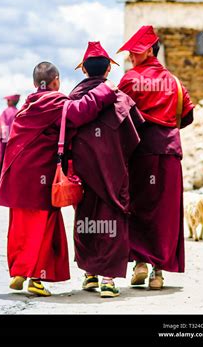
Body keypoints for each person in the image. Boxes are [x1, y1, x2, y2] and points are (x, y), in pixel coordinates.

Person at [0, 61, 118, 296]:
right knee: (44, 225)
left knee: (21, 225)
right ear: (56, 81)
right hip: (39, 175)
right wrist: (106, 89)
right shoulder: (55, 103)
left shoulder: (27, 106)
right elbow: (82, 111)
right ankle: (35, 279)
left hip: (17, 176)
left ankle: (20, 270)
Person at [117, 26, 195, 289]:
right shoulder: (174, 82)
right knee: (165, 210)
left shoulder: (130, 79)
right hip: (170, 153)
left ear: (149, 50)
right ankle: (158, 272)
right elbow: (187, 116)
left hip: (140, 152)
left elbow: (118, 115)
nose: (129, 57)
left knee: (139, 206)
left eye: (133, 52)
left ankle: (139, 262)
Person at [69, 42, 144, 298]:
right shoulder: (121, 98)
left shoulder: (73, 99)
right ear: (109, 70)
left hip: (83, 173)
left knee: (86, 220)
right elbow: (135, 137)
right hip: (114, 172)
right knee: (111, 220)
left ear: (84, 71)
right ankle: (108, 280)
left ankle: (89, 274)